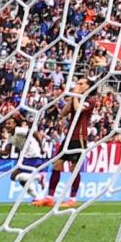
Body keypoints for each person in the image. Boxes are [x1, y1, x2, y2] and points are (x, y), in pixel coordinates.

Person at [34, 77, 99, 209]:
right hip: (68, 138)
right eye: (77, 83)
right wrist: (70, 101)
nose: (77, 85)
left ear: (88, 87)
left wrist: (75, 96)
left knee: (73, 169)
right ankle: (50, 198)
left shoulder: (90, 100)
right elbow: (63, 114)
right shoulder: (77, 98)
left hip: (79, 138)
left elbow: (79, 109)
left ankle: (72, 199)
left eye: (81, 84)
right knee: (57, 165)